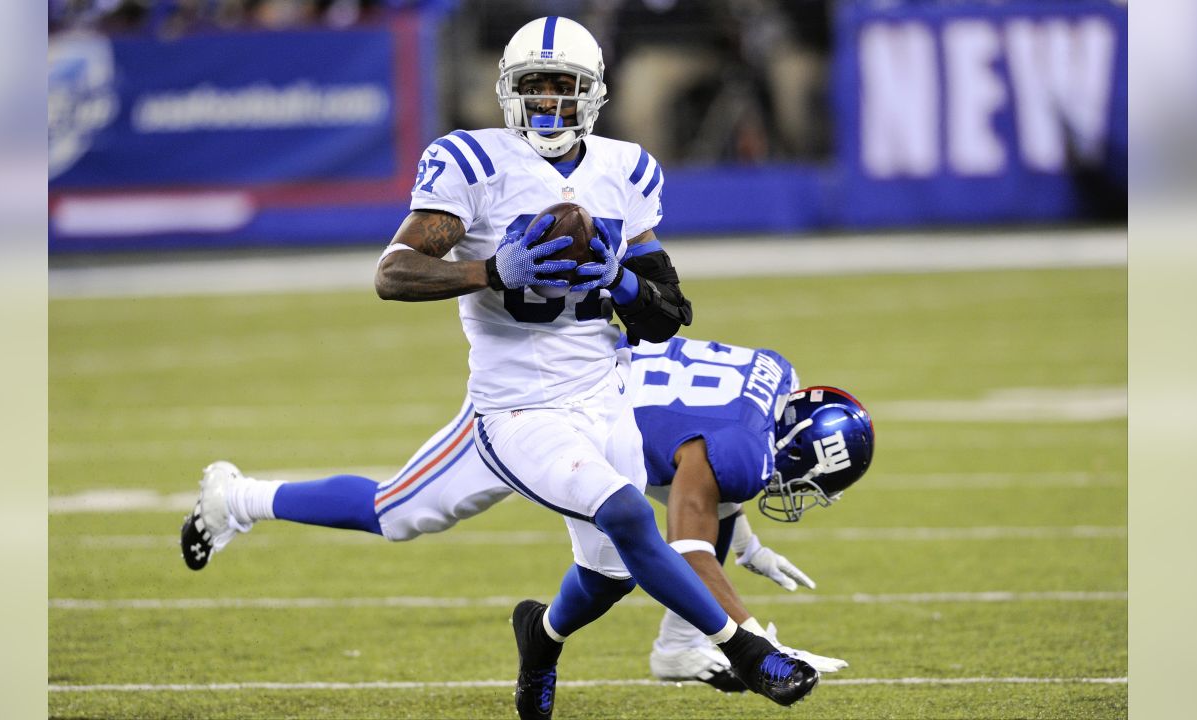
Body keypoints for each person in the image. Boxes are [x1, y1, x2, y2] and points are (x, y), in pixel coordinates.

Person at [187, 15, 816, 717]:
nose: (548, 104)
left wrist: (624, 282)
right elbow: (393, 274)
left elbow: (666, 317)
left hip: (602, 395)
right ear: (509, 93)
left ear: (594, 94)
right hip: (515, 406)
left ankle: (539, 638)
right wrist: (490, 269)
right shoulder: (474, 164)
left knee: (597, 573)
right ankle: (751, 655)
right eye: (534, 89)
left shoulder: (625, 170)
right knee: (624, 519)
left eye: (563, 88)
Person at [179, 335, 876, 692]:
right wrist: (753, 640)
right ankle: (237, 498)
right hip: (539, 410)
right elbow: (691, 541)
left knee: (612, 571)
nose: (793, 490)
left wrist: (742, 535)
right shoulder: (744, 454)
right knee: (396, 511)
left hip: (601, 427)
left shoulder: (773, 377)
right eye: (804, 476)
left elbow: (701, 449)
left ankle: (661, 646)